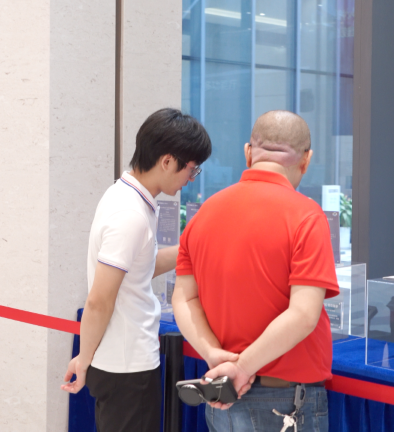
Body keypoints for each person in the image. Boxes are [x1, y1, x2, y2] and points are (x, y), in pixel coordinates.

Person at [172, 110, 339, 432]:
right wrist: (243, 367)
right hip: (284, 401)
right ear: (306, 160)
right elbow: (304, 315)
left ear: (248, 153)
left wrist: (214, 356)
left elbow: (184, 298)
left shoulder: (204, 213)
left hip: (221, 390)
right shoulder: (306, 216)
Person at [60, 108, 213, 432]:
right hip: (127, 367)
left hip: (123, 360)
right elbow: (99, 300)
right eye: (191, 169)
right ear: (167, 161)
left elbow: (140, 267)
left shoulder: (126, 196)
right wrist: (84, 359)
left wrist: (195, 246)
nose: (191, 178)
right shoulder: (129, 213)